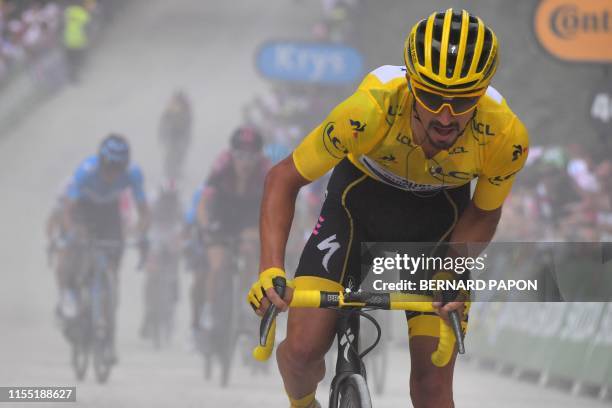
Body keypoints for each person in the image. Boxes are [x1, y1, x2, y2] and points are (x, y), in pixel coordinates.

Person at [247, 8, 529, 408]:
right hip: (356, 212)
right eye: (431, 97)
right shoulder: (368, 111)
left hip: (435, 229)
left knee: (432, 386)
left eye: (464, 100)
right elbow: (283, 178)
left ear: (482, 93)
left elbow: (484, 212)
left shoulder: (505, 135)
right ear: (411, 84)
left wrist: (452, 270)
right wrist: (271, 268)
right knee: (301, 354)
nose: (446, 116)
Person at [63, 134, 150, 361]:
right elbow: (69, 208)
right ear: (101, 161)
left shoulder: (133, 175)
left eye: (118, 167)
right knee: (75, 249)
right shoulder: (86, 171)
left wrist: (142, 235)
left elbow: (144, 211)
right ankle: (72, 293)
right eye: (109, 166)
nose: (113, 173)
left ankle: (107, 323)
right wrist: (73, 230)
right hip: (83, 209)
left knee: (112, 270)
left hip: (109, 214)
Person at [195, 126, 270, 331]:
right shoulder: (222, 165)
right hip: (223, 212)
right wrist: (204, 226)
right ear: (232, 155)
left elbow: (276, 205)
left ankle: (248, 300)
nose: (245, 163)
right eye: (240, 156)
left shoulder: (265, 169)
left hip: (248, 214)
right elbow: (204, 201)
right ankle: (209, 308)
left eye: (251, 157)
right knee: (217, 265)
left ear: (258, 157)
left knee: (250, 249)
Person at [158, 90, 192, 179]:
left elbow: (188, 124)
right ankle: (169, 172)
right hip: (172, 135)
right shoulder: (171, 108)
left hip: (181, 135)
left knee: (179, 154)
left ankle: (176, 171)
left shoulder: (186, 108)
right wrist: (162, 135)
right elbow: (164, 122)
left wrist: (187, 138)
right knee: (171, 153)